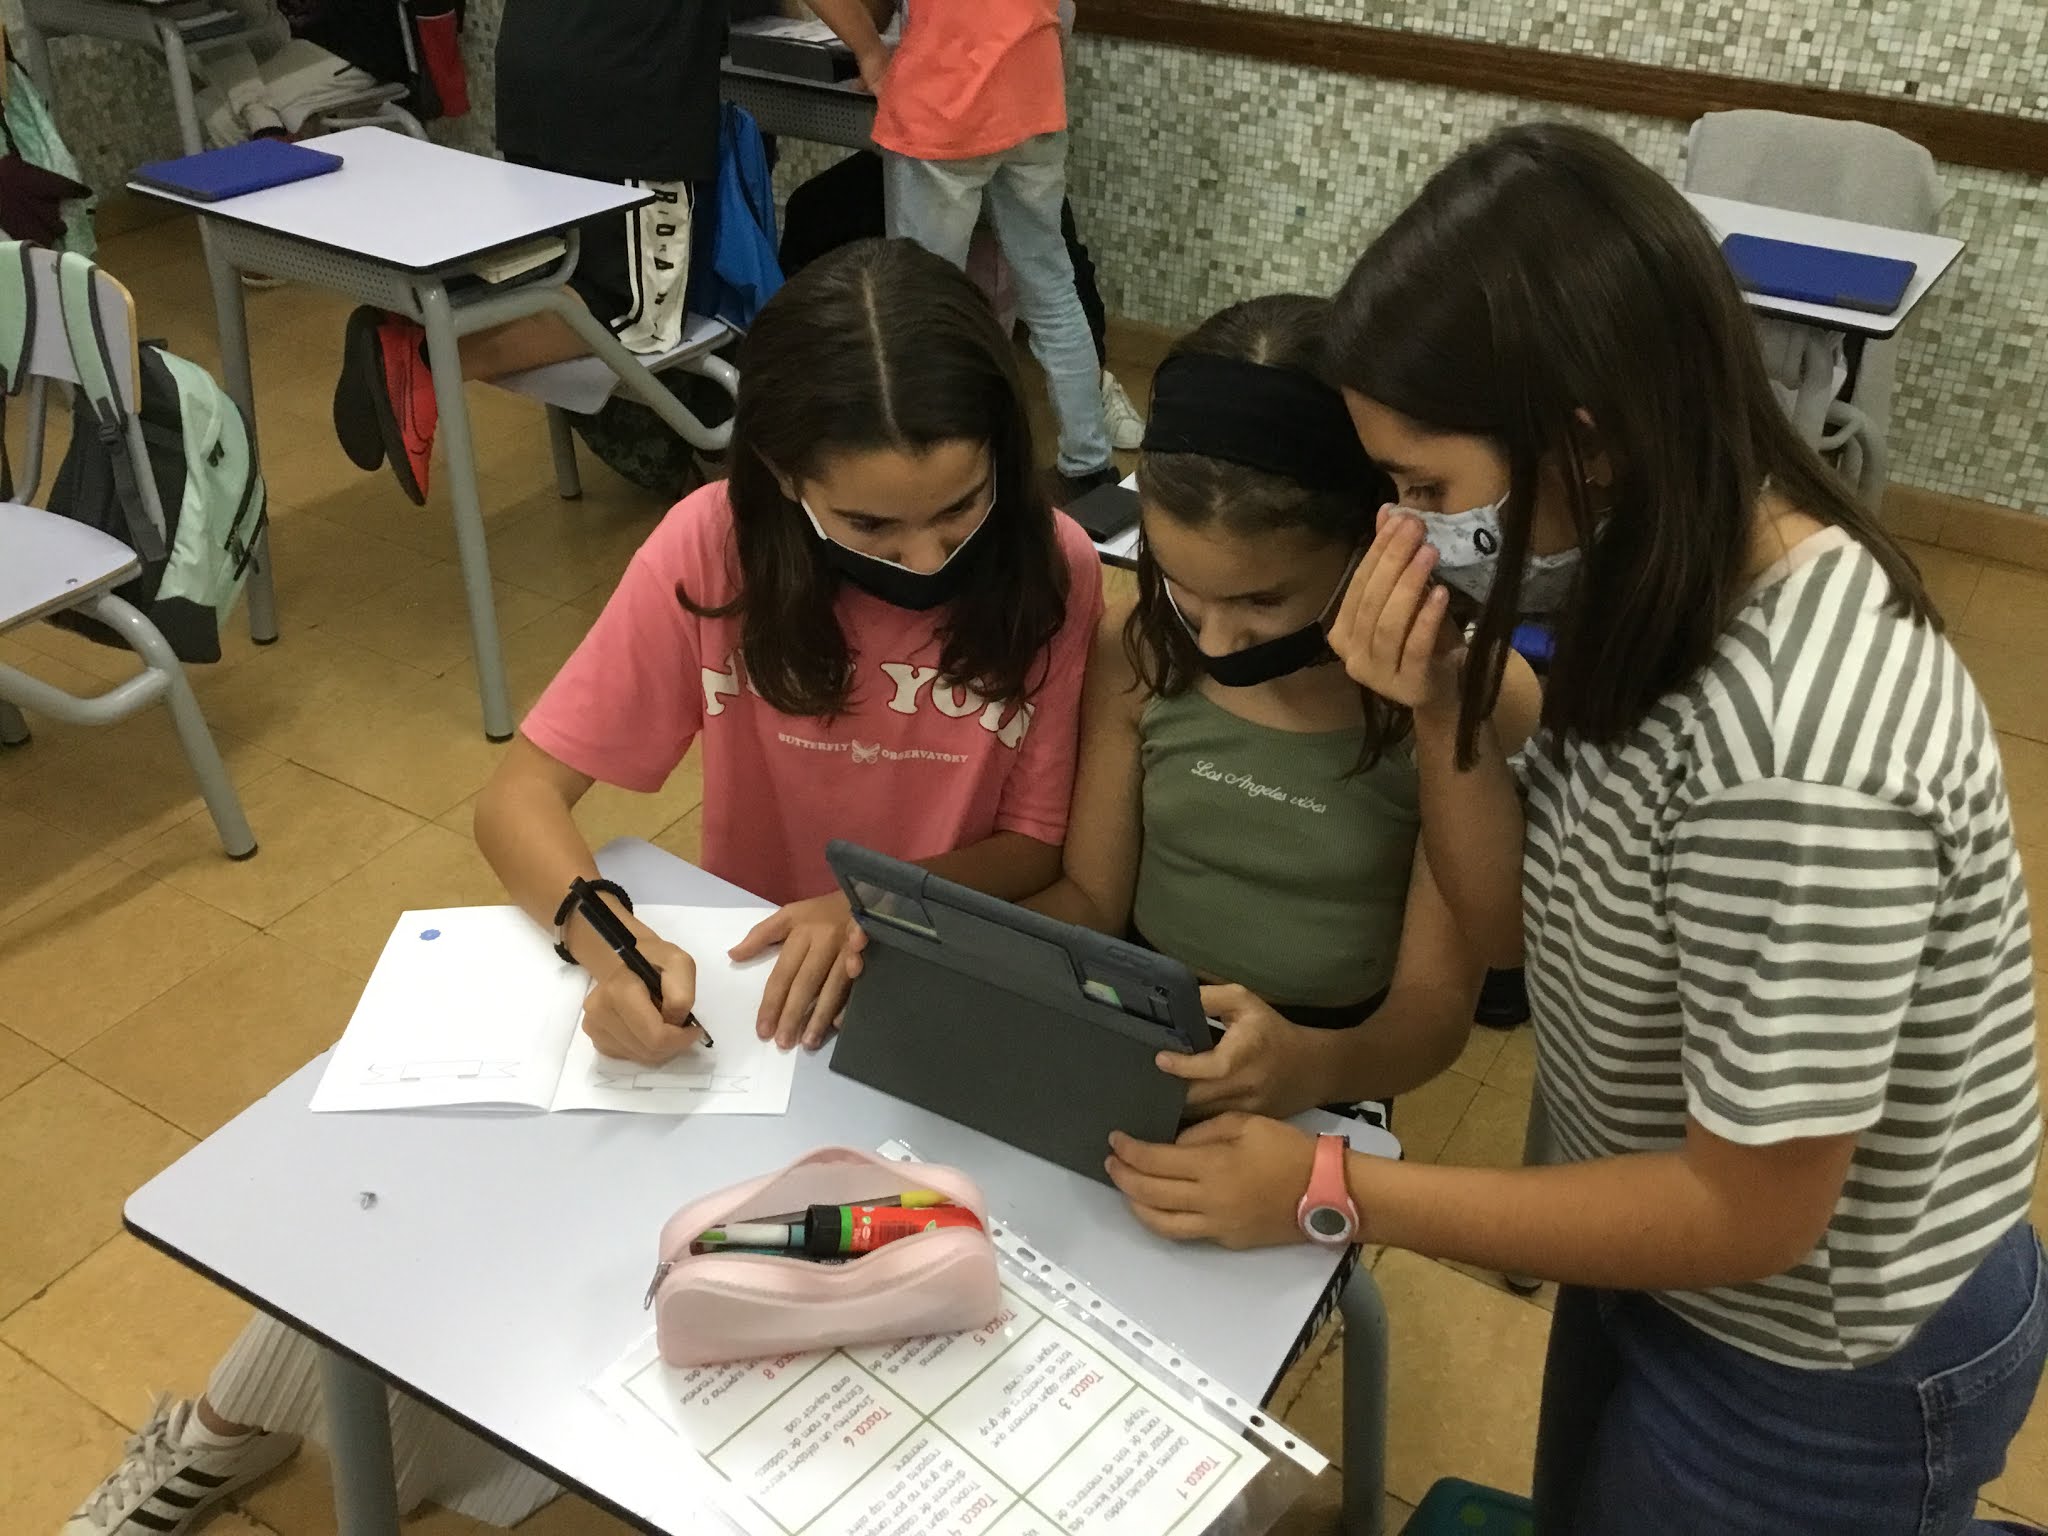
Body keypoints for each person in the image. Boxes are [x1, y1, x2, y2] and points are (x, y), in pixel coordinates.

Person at [63, 237, 1104, 1536]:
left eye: (959, 508)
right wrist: (610, 943)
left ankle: (330, 1438)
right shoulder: (715, 548)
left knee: (774, 1306)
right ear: (784, 476)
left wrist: (874, 904)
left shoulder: (1052, 567)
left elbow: (1039, 849)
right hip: (741, 1008)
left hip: (918, 990)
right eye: (871, 525)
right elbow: (517, 799)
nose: (927, 553)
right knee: (431, 1205)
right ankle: (225, 1433)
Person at [1101, 124, 2044, 1536]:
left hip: (1813, 1358)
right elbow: (1509, 926)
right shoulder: (1644, 565)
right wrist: (1439, 703)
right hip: (1649, 1244)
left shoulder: (1801, 757)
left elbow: (1753, 1214)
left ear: (1585, 444)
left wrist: (1329, 1184)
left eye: (1424, 490)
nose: (1402, 532)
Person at [1028, 295, 1535, 1136]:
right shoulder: (1141, 649)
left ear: (1378, 544)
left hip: (1335, 1060)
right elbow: (1091, 896)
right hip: (1143, 1023)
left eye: (1262, 601)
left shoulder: (1464, 697)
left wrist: (1311, 1066)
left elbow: (1431, 1015)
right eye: (1182, 586)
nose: (1215, 640)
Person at [330, 0, 729, 504]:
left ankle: (425, 327)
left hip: (534, 62)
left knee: (554, 267)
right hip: (627, 86)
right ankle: (428, 355)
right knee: (633, 307)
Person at [808, 0, 1119, 504]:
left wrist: (870, 53)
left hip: (941, 101)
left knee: (920, 308)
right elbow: (1064, 10)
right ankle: (1089, 464)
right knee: (1053, 291)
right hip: (1033, 93)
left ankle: (937, 473)